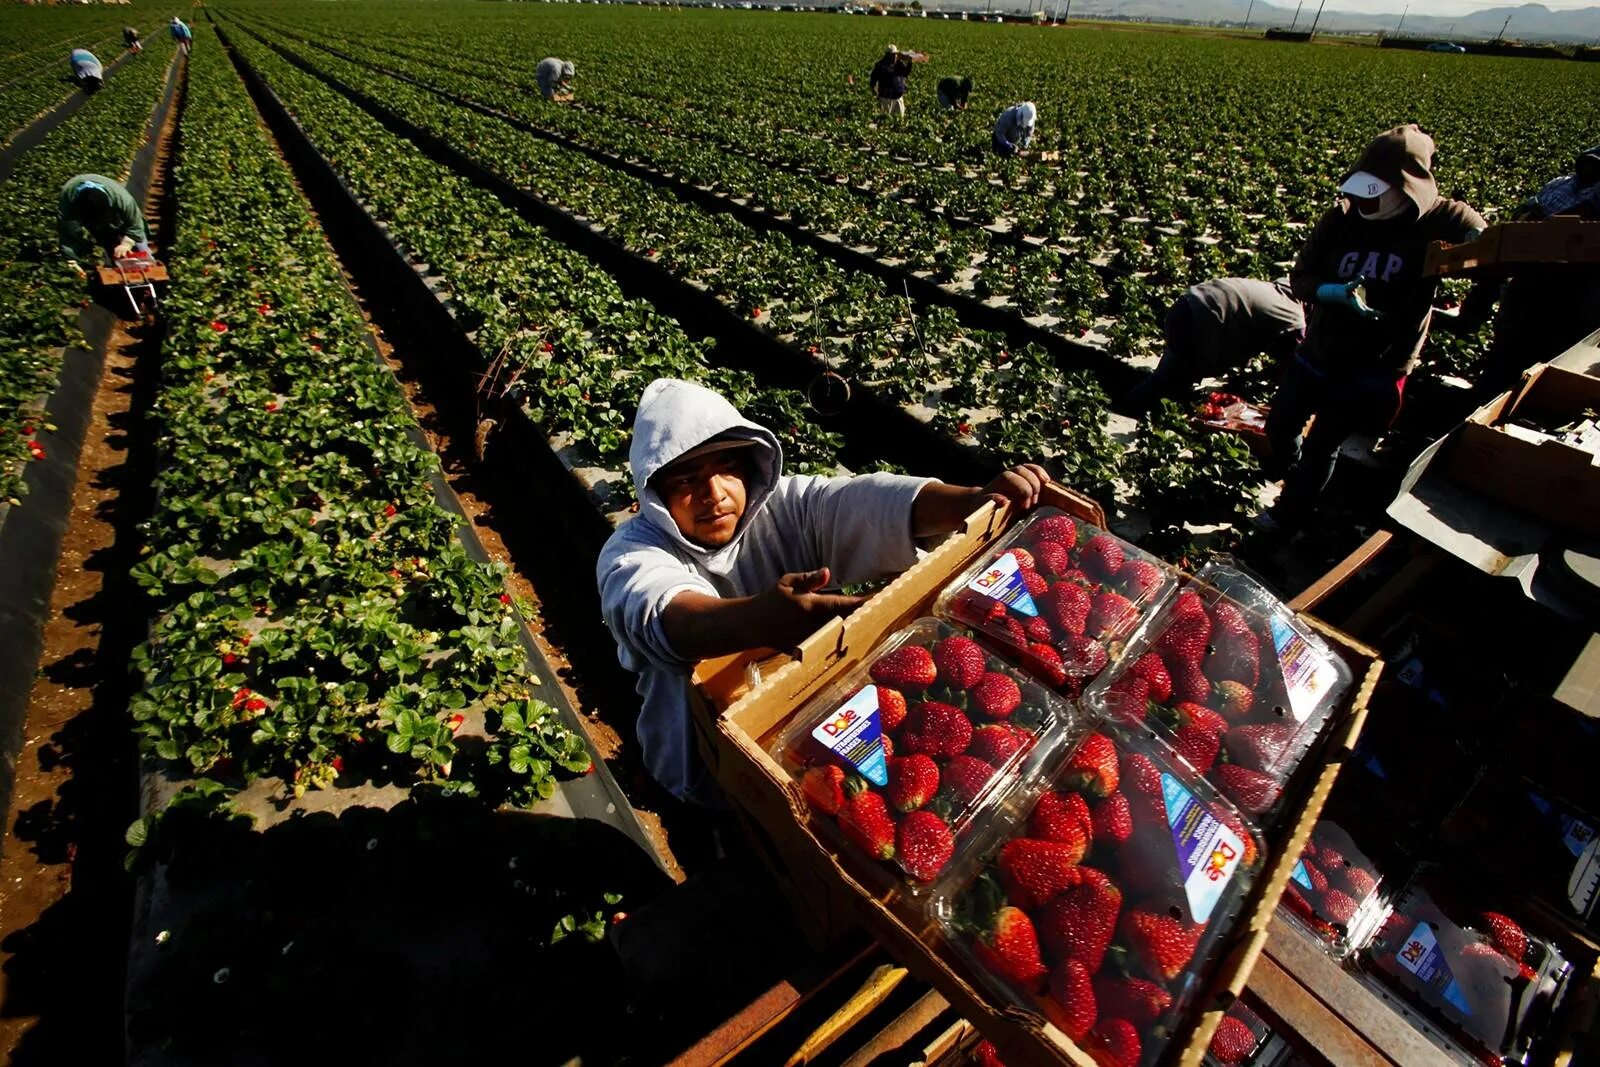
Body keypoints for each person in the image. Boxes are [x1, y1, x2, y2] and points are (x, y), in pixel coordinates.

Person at [596, 377, 1050, 805]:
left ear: (750, 467)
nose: (714, 494)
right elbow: (662, 616)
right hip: (701, 767)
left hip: (807, 744)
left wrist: (970, 502)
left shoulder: (785, 508)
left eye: (727, 469)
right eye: (686, 480)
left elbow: (865, 503)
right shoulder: (631, 554)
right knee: (722, 826)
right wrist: (761, 620)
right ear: (653, 491)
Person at [1256, 124, 1485, 533]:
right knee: (1281, 424)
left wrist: (1477, 245)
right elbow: (1301, 277)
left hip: (1376, 364)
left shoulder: (1437, 217)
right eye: (1361, 189)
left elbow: (1484, 239)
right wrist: (1331, 292)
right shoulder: (1341, 219)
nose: (1363, 201)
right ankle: (1293, 476)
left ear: (1409, 188)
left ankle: (1290, 513)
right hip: (1321, 349)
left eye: (1374, 192)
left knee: (1322, 443)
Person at [1465, 142, 1600, 402]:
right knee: (1507, 363)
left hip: (1577, 296)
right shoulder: (1559, 185)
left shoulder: (1581, 194)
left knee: (1554, 370)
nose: (1590, 169)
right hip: (1530, 288)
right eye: (1589, 163)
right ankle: (1484, 408)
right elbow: (1520, 223)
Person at [1117, 278, 1305, 417]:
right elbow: (1293, 370)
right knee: (1167, 380)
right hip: (1202, 320)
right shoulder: (1295, 317)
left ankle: (1138, 409)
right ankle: (1129, 412)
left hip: (1187, 305)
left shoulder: (1275, 293)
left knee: (1172, 379)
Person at [58, 174, 149, 278]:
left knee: (141, 249)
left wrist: (127, 244)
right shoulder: (69, 202)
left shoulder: (122, 199)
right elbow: (68, 233)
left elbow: (136, 225)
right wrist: (71, 259)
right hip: (87, 214)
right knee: (108, 242)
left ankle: (149, 274)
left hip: (116, 211)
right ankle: (115, 276)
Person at [869, 44, 926, 119]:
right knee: (886, 120)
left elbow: (905, 73)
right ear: (887, 55)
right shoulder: (881, 66)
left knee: (900, 119)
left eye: (895, 55)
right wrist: (874, 90)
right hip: (886, 99)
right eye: (892, 55)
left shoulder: (898, 64)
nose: (894, 57)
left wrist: (910, 63)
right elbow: (873, 79)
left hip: (898, 98)